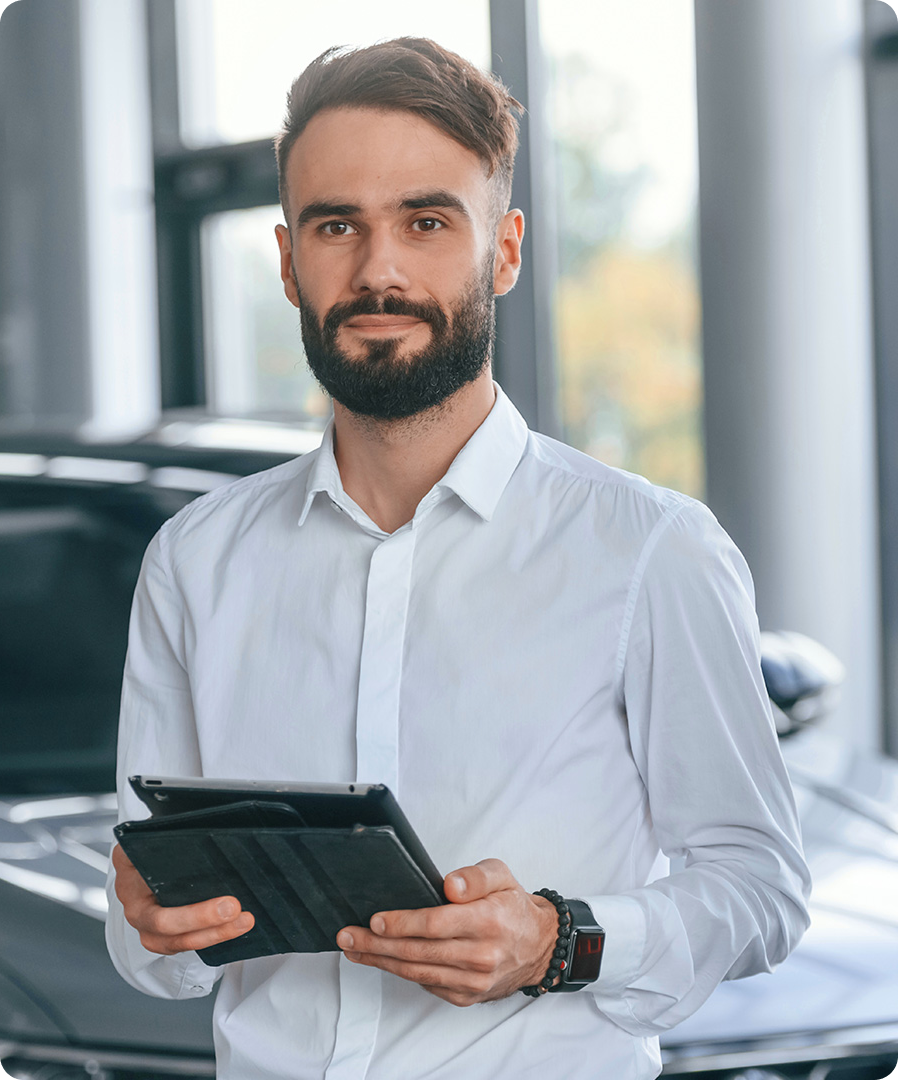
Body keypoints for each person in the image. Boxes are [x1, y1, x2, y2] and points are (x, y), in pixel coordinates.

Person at [106, 37, 810, 1080]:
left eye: (427, 223)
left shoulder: (648, 550)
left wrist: (560, 940)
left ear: (506, 249)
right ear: (289, 260)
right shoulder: (193, 563)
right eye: (335, 225)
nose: (378, 269)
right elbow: (149, 938)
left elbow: (759, 891)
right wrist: (149, 923)